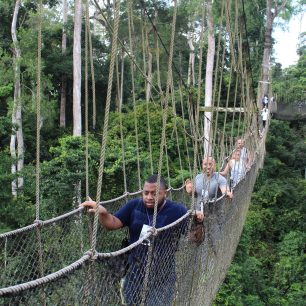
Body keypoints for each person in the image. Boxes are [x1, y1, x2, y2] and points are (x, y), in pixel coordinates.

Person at [80, 174, 198, 306]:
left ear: (165, 193)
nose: (148, 197)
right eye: (146, 193)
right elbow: (112, 224)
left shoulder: (177, 211)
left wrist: (198, 222)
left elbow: (194, 238)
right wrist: (102, 213)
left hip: (163, 278)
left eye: (154, 193)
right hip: (134, 275)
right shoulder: (134, 206)